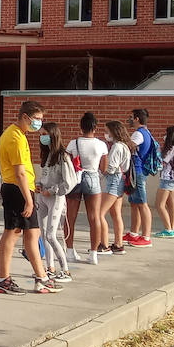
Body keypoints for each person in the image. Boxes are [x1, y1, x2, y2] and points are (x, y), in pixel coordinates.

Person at [0, 100, 60, 294]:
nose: (39, 123)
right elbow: (19, 172)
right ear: (25, 117)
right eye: (37, 119)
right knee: (13, 232)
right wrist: (29, 200)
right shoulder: (14, 137)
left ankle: (41, 277)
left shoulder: (18, 135)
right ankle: (4, 279)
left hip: (23, 189)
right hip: (17, 190)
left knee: (33, 233)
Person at [36, 122, 79, 285]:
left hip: (55, 198)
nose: (42, 137)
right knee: (44, 233)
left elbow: (70, 182)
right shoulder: (47, 155)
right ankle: (50, 267)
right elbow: (46, 175)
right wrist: (39, 184)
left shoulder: (63, 156)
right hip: (43, 197)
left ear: (52, 135)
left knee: (51, 235)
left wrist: (53, 190)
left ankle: (65, 269)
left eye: (44, 134)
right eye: (41, 135)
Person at [64, 112, 108, 265]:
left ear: (80, 127)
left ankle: (69, 250)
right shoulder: (101, 144)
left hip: (75, 178)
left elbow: (67, 162)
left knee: (70, 217)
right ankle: (93, 254)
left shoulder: (73, 143)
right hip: (92, 177)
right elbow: (104, 167)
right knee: (94, 217)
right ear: (95, 127)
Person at [101, 119, 134, 255]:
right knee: (116, 214)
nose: (105, 134)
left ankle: (103, 244)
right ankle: (118, 244)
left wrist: (101, 168)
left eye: (107, 131)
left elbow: (111, 167)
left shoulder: (117, 147)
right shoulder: (124, 146)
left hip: (114, 180)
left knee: (100, 214)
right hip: (120, 179)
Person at [124, 109, 156, 248]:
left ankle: (146, 236)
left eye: (131, 117)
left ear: (137, 119)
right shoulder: (146, 132)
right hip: (138, 170)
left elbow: (128, 147)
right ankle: (134, 233)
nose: (129, 120)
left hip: (138, 171)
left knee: (142, 203)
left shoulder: (138, 134)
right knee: (134, 203)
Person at [154, 126, 174, 238]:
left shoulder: (171, 148)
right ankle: (171, 228)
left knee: (159, 204)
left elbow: (163, 162)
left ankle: (168, 229)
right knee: (171, 204)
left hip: (167, 179)